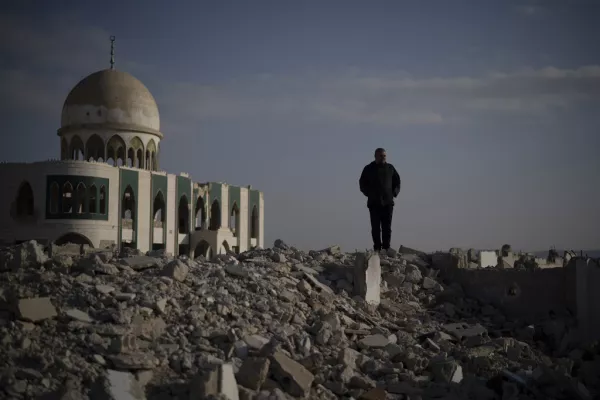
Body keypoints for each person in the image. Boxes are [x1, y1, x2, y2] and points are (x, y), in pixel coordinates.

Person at [359, 148, 401, 252]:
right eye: (381, 156)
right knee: (376, 228)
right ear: (375, 156)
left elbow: (397, 181)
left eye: (384, 156)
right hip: (374, 203)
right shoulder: (368, 168)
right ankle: (377, 248)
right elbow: (362, 183)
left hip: (388, 203)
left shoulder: (390, 168)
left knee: (387, 227)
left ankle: (386, 248)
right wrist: (369, 194)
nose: (383, 158)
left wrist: (394, 193)